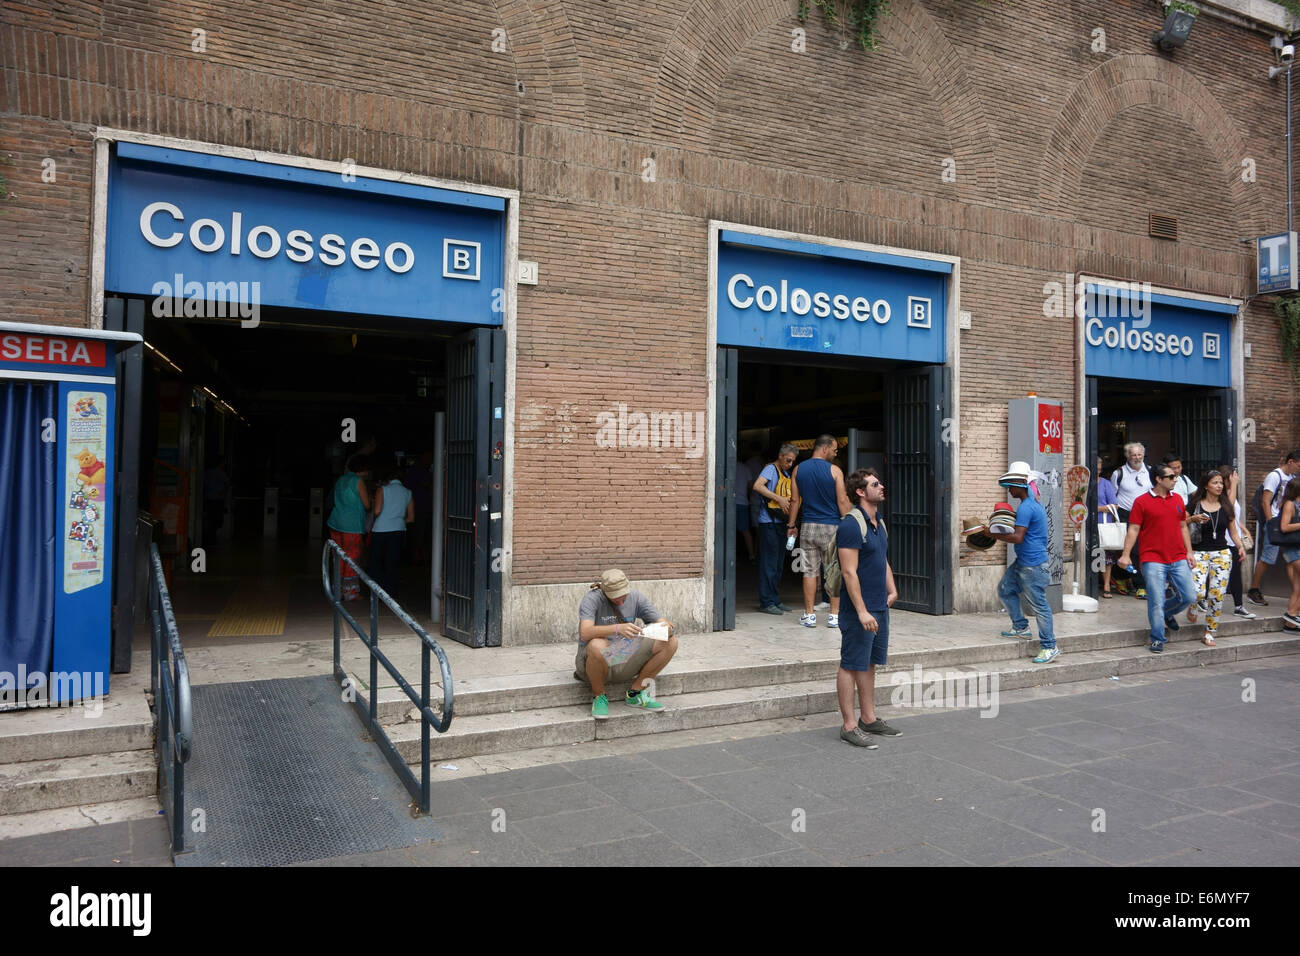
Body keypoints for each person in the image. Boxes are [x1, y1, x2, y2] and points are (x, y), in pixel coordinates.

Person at [835, 468, 898, 747]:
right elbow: (849, 572)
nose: (881, 486)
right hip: (858, 609)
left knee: (869, 662)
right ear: (861, 492)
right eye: (875, 484)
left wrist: (892, 588)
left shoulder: (878, 522)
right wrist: (861, 611)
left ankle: (868, 719)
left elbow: (881, 559)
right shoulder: (851, 525)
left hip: (879, 606)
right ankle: (849, 725)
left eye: (879, 482)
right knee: (850, 664)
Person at [576, 569, 678, 719]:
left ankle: (635, 694)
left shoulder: (635, 597)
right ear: (604, 590)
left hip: (621, 655)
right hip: (593, 662)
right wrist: (617, 629)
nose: (620, 600)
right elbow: (585, 632)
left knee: (671, 642)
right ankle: (599, 696)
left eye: (623, 594)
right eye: (615, 596)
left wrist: (666, 628)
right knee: (597, 644)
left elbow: (662, 622)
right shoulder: (592, 599)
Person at [1117, 463, 1197, 653]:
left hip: (1177, 556)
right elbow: (1133, 529)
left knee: (1189, 596)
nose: (1175, 479)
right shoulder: (1141, 502)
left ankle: (1167, 613)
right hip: (1152, 558)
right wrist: (1126, 554)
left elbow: (1183, 526)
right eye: (1171, 477)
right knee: (1156, 600)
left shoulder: (1178, 499)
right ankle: (1157, 638)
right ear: (1159, 479)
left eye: (1175, 476)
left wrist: (1189, 551)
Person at [990, 464, 1059, 663]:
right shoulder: (1031, 504)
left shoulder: (1027, 507)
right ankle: (1021, 626)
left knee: (1039, 606)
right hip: (1025, 561)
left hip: (1033, 565)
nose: (1009, 490)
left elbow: (1018, 537)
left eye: (1011, 486)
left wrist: (992, 534)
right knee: (1005, 588)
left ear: (1021, 485)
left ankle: (1050, 646)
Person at [788, 434, 852, 628]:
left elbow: (794, 501)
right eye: (834, 450)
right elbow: (842, 501)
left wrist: (791, 526)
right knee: (833, 572)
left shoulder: (798, 469)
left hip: (808, 527)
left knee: (808, 572)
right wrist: (851, 522)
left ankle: (809, 615)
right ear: (824, 448)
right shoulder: (835, 471)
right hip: (832, 527)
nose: (835, 453)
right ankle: (834, 616)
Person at [1185, 470, 1245, 646]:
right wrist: (1193, 519)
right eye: (1215, 483)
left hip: (1222, 554)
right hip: (1199, 553)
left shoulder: (1227, 506)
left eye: (1221, 483)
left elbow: (1233, 532)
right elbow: (1180, 525)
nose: (1219, 486)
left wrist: (1240, 547)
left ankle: (1209, 631)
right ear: (1205, 485)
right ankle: (1194, 606)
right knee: (1197, 591)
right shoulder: (1194, 504)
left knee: (1217, 594)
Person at [1247, 450, 1300, 606]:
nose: (1299, 469)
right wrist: (1271, 523)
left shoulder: (1292, 477)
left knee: (1293, 559)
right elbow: (1265, 501)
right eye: (1298, 465)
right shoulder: (1274, 476)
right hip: (1276, 523)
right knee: (1267, 558)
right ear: (1290, 462)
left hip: (1286, 521)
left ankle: (1296, 594)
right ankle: (1253, 590)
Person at [752, 444, 797, 614]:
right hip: (768, 522)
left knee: (778, 564)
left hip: (780, 522)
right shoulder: (770, 469)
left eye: (792, 461)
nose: (790, 463)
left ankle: (775, 599)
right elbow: (757, 486)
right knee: (769, 563)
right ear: (780, 455)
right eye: (788, 460)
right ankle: (766, 602)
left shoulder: (785, 473)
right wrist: (779, 499)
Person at [1111, 443, 1154, 599]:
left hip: (1147, 516)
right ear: (1127, 456)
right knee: (1134, 550)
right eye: (1133, 455)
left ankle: (1118, 574)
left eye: (1139, 454)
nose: (1136, 458)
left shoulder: (1150, 471)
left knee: (1144, 549)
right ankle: (1140, 585)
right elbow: (1113, 495)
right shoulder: (1119, 473)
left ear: (1143, 454)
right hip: (1126, 515)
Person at [327, 454, 371, 602]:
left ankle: (337, 589)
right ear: (363, 468)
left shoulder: (341, 479)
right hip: (351, 525)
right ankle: (350, 592)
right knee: (352, 556)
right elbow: (367, 505)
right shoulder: (358, 481)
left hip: (335, 522)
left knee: (338, 557)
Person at [368, 465, 414, 602]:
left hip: (381, 530)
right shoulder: (408, 492)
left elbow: (376, 511)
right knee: (393, 563)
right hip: (399, 530)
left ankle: (375, 592)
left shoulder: (382, 489)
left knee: (376, 562)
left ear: (388, 478)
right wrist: (397, 519)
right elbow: (411, 518)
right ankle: (390, 593)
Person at [1216, 464, 1255, 620]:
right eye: (1232, 477)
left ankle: (1239, 606)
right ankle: (1202, 601)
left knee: (1236, 574)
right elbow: (1228, 509)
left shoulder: (1231, 494)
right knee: (1219, 574)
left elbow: (1234, 518)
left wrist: (1245, 532)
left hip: (1234, 540)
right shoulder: (1221, 496)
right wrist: (1234, 485)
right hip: (1223, 541)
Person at [1274, 481, 1300, 630]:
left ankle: (1291, 623)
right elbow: (1284, 527)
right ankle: (1291, 614)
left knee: (1298, 587)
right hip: (1293, 549)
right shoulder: (1290, 504)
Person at [1097, 456, 1120, 598]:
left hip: (1104, 524)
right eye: (1095, 468)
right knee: (1093, 554)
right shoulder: (1084, 482)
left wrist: (1096, 509)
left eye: (1099, 469)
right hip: (1088, 524)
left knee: (1106, 556)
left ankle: (1106, 585)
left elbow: (1114, 505)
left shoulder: (1105, 484)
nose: (1097, 472)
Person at [202, 455, 229, 545]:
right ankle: (212, 537)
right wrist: (223, 492)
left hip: (209, 498)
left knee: (210, 518)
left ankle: (209, 536)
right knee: (216, 519)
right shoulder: (220, 473)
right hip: (217, 499)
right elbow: (227, 483)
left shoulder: (207, 472)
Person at [734, 454, 757, 563]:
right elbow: (751, 486)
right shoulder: (745, 468)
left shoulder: (728, 466)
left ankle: (729, 554)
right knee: (746, 531)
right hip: (743, 503)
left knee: (729, 530)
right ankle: (752, 555)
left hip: (731, 503)